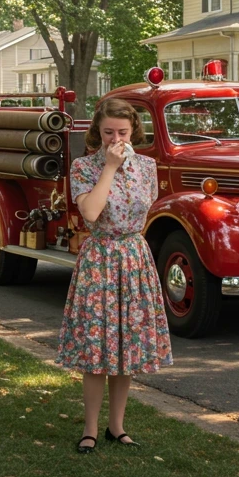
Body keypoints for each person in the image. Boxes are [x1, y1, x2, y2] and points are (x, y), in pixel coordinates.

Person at [57, 97, 173, 453]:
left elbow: (144, 208)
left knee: (127, 348)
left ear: (133, 131)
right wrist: (109, 167)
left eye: (122, 132)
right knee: (96, 349)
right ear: (98, 131)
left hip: (134, 258)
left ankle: (117, 427)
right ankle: (89, 429)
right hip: (101, 258)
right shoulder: (83, 167)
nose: (115, 138)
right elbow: (91, 213)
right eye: (108, 132)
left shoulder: (148, 167)